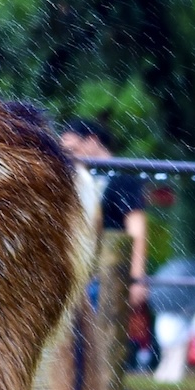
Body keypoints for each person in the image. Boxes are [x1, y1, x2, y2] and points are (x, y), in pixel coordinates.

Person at [59, 118, 148, 308]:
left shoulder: (122, 176)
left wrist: (137, 276)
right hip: (78, 274)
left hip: (109, 272)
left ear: (92, 140)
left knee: (106, 333)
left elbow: (137, 228)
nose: (70, 158)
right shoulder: (78, 178)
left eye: (72, 150)